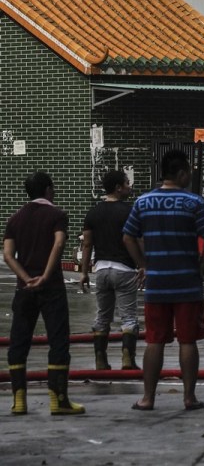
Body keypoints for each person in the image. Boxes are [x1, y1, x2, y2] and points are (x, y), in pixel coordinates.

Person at [123, 150, 204, 411]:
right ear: (181, 173)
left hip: (157, 284)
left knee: (154, 340)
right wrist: (203, 265)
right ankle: (189, 397)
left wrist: (143, 264)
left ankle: (148, 398)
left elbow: (128, 236)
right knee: (188, 340)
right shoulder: (193, 202)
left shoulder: (143, 202)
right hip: (187, 283)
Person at [4, 171, 85, 415]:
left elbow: (8, 255)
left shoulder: (15, 218)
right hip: (52, 288)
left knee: (19, 341)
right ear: (49, 189)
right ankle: (58, 400)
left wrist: (27, 278)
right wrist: (46, 275)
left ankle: (19, 400)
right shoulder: (57, 214)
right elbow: (59, 243)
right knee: (58, 340)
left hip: (24, 289)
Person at [80, 170, 141, 371]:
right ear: (118, 188)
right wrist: (143, 264)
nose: (129, 187)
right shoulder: (130, 211)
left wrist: (84, 272)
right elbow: (136, 240)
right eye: (127, 183)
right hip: (124, 269)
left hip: (102, 270)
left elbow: (87, 245)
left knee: (102, 316)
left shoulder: (93, 212)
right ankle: (127, 359)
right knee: (128, 317)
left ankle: (100, 359)